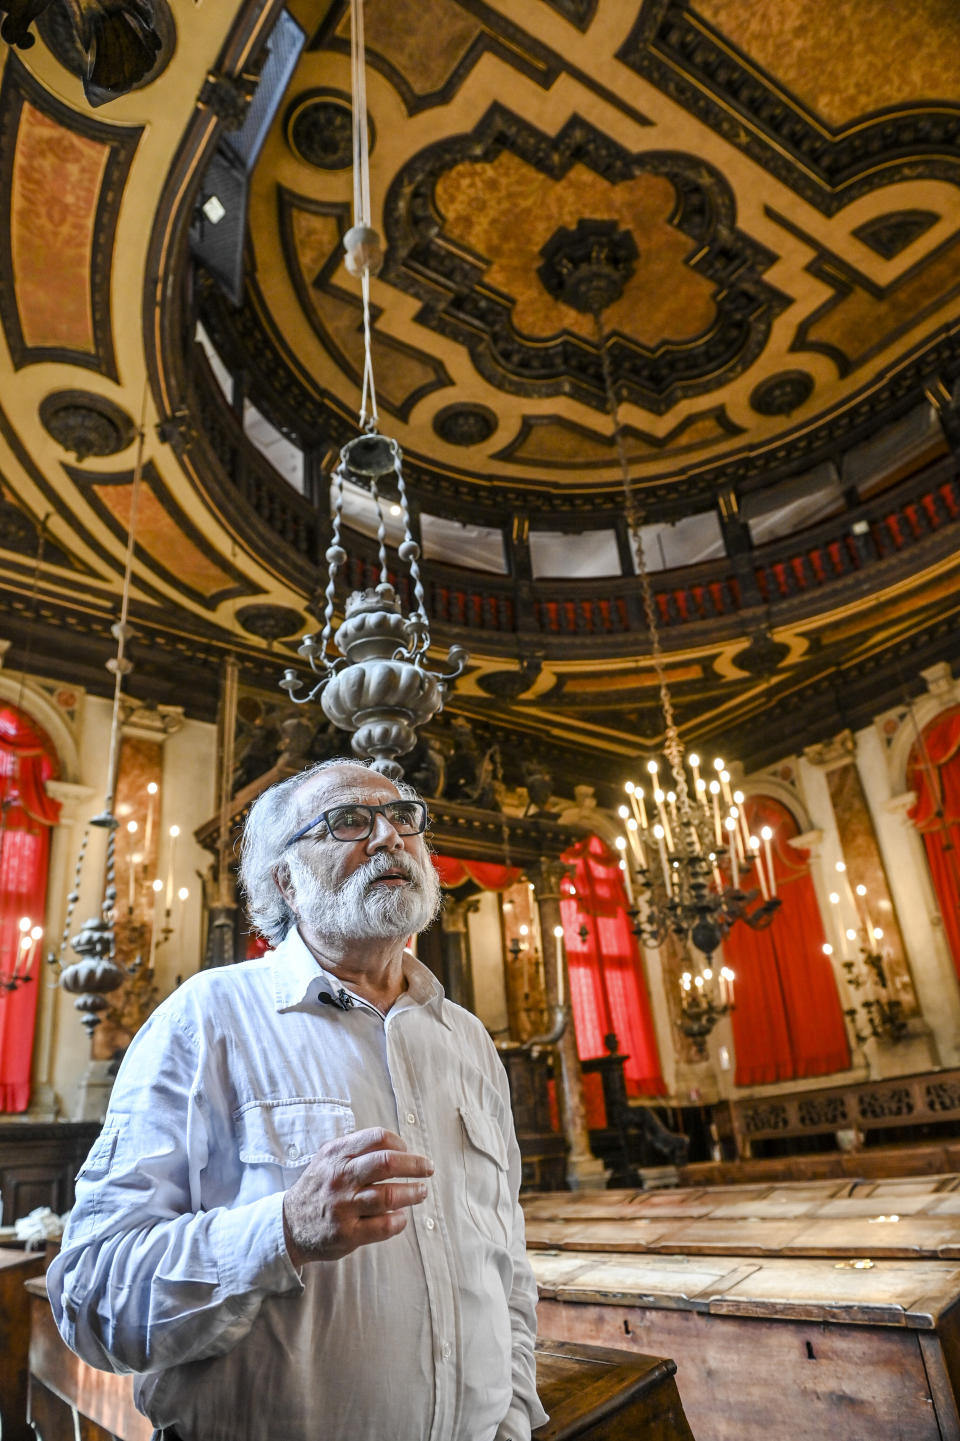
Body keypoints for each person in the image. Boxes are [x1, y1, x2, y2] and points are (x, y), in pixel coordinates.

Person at [48, 757, 549, 1441]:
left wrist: (512, 1416)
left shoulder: (468, 1041)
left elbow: (507, 1268)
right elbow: (91, 1296)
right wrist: (281, 1229)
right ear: (286, 878)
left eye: (404, 817)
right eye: (349, 821)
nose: (388, 837)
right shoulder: (206, 1020)